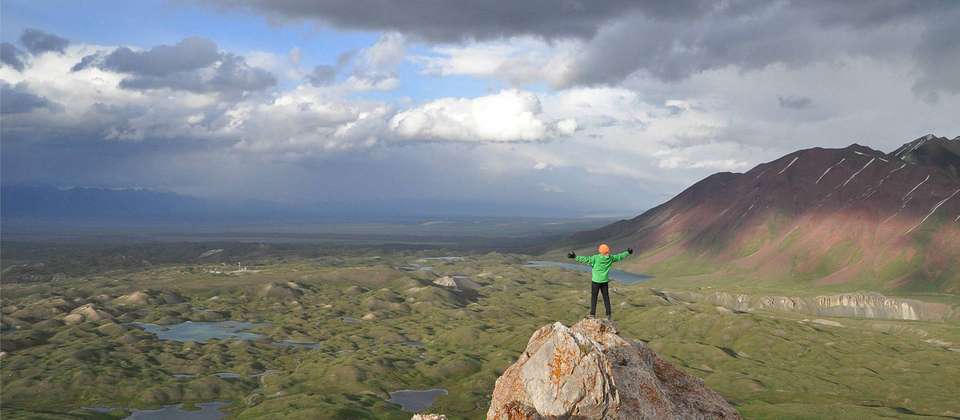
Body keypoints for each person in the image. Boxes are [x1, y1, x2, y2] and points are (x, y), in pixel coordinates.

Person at [568, 244, 633, 320]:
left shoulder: (596, 258)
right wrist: (628, 252)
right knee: (606, 297)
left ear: (600, 251)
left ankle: (592, 315)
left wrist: (575, 257)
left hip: (595, 281)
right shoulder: (611, 258)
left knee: (594, 297)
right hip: (604, 281)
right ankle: (608, 315)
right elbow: (619, 256)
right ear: (608, 251)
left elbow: (585, 259)